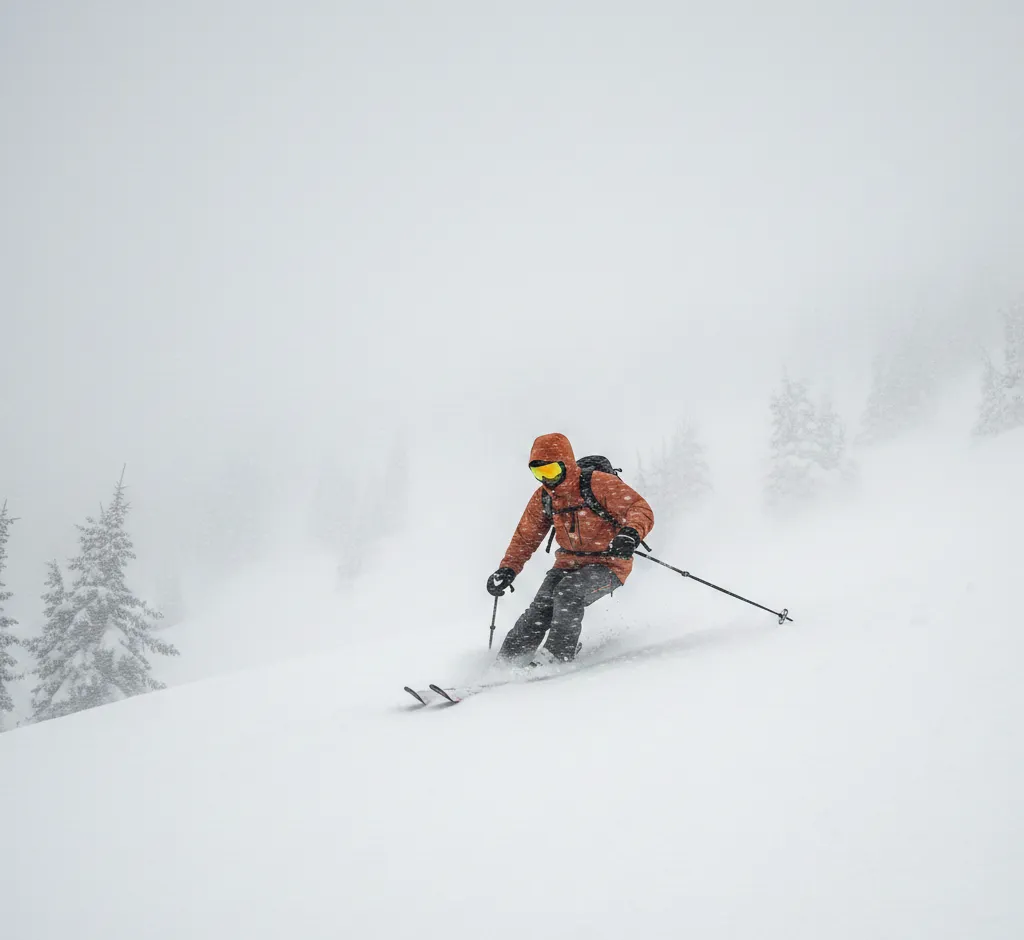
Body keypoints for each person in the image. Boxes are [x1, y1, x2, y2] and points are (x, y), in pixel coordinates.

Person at [487, 432, 654, 667]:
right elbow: (525, 537)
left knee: (568, 592)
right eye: (539, 473)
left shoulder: (598, 484)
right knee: (540, 607)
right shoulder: (544, 497)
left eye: (552, 471)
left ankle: (558, 655)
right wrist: (508, 569)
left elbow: (639, 508)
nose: (547, 480)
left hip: (609, 563)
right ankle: (506, 662)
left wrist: (630, 533)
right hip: (567, 563)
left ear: (566, 464)